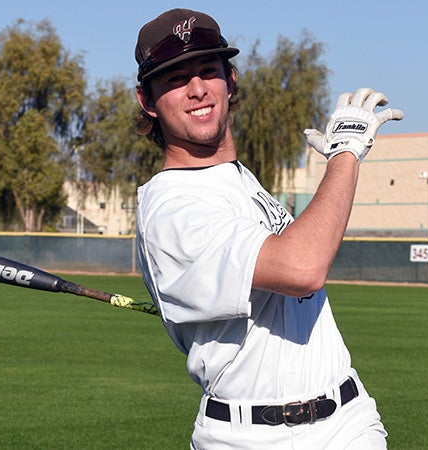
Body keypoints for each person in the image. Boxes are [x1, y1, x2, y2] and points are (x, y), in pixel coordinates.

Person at [133, 8, 403, 450]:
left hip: (349, 422)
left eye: (207, 71)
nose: (197, 89)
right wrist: (345, 155)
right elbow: (303, 268)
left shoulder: (237, 177)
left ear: (231, 80)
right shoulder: (172, 207)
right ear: (147, 100)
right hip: (248, 436)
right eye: (175, 79)